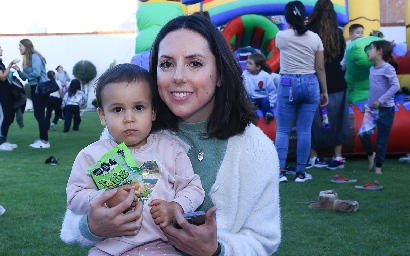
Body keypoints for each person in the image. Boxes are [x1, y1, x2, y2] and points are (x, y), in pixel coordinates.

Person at [60, 14, 281, 256]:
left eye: (194, 63)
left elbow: (263, 240)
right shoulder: (127, 132)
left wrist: (217, 251)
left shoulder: (255, 148)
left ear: (219, 73)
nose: (178, 77)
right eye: (166, 64)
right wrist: (92, 226)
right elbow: (75, 217)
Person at [65, 63, 205, 255]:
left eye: (139, 107)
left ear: (153, 111)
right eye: (117, 110)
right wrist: (106, 197)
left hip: (162, 247)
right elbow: (74, 197)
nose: (129, 118)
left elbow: (194, 187)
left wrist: (177, 206)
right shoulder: (91, 155)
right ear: (102, 115)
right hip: (109, 249)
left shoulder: (170, 150)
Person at [275, 1, 328, 182]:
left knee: (283, 130)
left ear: (287, 17)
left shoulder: (281, 36)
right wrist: (325, 91)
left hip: (287, 82)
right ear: (305, 16)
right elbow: (320, 69)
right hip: (310, 83)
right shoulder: (315, 38)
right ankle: (301, 173)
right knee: (304, 131)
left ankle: (281, 172)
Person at [306, 0, 351, 170]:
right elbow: (339, 58)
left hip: (314, 80)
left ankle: (314, 157)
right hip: (337, 80)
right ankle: (338, 156)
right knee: (339, 119)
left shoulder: (309, 32)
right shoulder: (338, 33)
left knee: (312, 119)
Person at [358, 40, 400, 175]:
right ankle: (371, 154)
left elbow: (396, 86)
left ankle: (378, 167)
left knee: (382, 139)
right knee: (362, 134)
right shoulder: (371, 69)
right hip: (371, 109)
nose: (368, 52)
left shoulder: (388, 68)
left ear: (380, 51)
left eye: (371, 49)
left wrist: (380, 101)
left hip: (386, 110)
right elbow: (373, 90)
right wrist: (367, 105)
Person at [14, 39, 50, 149]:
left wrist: (26, 74)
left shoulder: (34, 56)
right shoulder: (28, 59)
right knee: (38, 114)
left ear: (26, 46)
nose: (19, 48)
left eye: (20, 46)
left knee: (39, 114)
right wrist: (19, 71)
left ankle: (45, 141)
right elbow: (25, 77)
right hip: (35, 87)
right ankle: (42, 139)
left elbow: (36, 73)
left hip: (40, 88)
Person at [242, 53, 277, 123]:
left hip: (262, 98)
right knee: (247, 103)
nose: (247, 65)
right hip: (250, 98)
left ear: (258, 67)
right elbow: (241, 86)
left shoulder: (265, 76)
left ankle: (268, 114)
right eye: (247, 62)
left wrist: (272, 103)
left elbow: (272, 90)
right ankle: (253, 116)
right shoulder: (245, 74)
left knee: (265, 101)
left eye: (250, 63)